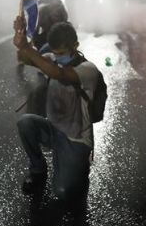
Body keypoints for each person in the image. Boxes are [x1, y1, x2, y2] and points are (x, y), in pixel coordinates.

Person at [12, 17, 99, 200]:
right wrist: (21, 40)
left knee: (63, 192)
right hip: (53, 130)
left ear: (75, 46)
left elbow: (57, 73)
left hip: (76, 140)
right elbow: (26, 58)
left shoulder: (87, 70)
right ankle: (37, 169)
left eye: (62, 53)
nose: (58, 57)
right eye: (55, 53)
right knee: (25, 123)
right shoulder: (52, 59)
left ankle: (79, 165)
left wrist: (27, 49)